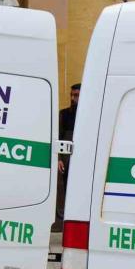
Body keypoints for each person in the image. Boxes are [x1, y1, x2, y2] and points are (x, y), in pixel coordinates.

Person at [55, 83, 80, 228]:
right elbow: (57, 136)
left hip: (82, 157)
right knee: (64, 187)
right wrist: (58, 159)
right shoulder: (64, 114)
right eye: (72, 95)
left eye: (76, 95)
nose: (72, 98)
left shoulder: (91, 115)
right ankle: (61, 220)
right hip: (66, 157)